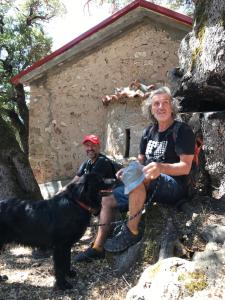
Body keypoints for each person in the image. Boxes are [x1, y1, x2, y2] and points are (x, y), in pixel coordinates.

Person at [103, 86, 195, 253]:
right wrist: (126, 170)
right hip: (148, 181)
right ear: (151, 109)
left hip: (174, 186)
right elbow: (140, 163)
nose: (161, 107)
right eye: (156, 104)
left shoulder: (181, 131)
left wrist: (161, 168)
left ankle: (131, 231)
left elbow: (186, 167)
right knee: (107, 200)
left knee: (140, 176)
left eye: (165, 103)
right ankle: (98, 245)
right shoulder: (148, 132)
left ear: (172, 107)